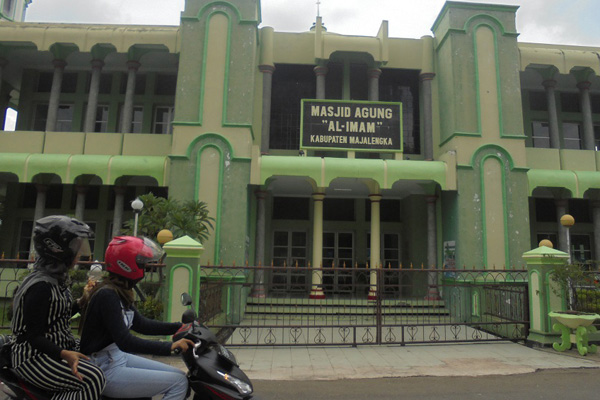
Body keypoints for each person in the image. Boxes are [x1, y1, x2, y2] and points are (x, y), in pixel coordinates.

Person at [79, 236, 194, 400]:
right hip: (103, 367)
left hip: (116, 358)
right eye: (142, 263)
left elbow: (141, 324)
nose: (145, 268)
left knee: (180, 375)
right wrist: (169, 347)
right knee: (179, 382)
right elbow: (126, 341)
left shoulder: (118, 291)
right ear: (126, 264)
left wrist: (180, 327)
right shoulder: (107, 295)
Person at [11, 215, 106, 400]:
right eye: (75, 247)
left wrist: (81, 302)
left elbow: (56, 316)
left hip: (56, 349)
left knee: (99, 352)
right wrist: (64, 354)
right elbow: (32, 335)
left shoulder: (56, 278)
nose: (79, 253)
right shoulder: (41, 286)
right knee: (92, 379)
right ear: (58, 249)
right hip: (33, 357)